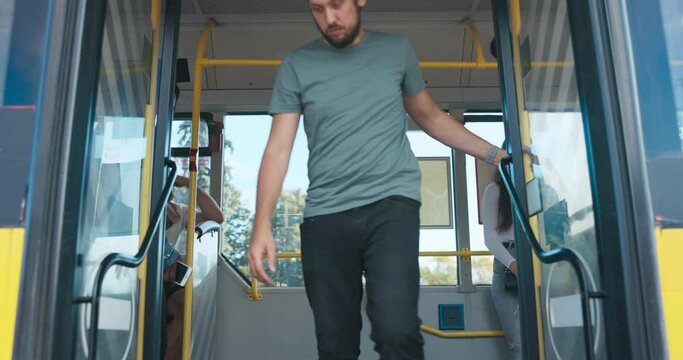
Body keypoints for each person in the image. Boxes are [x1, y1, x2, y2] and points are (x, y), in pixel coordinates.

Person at [247, 0, 507, 358]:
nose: (329, 19)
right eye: (318, 9)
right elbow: (278, 149)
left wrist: (498, 156)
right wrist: (261, 224)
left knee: (397, 330)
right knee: (335, 345)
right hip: (325, 216)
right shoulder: (297, 65)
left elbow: (430, 116)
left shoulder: (395, 50)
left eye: (336, 5)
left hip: (391, 205)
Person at [162, 175, 224, 360]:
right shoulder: (136, 208)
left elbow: (216, 217)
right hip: (135, 275)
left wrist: (191, 184)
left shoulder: (176, 212)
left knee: (190, 301)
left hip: (164, 281)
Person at [483, 171, 522, 360]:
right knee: (517, 342)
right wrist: (512, 264)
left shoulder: (536, 189)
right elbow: (490, 238)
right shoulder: (495, 190)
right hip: (508, 260)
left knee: (544, 334)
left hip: (535, 260)